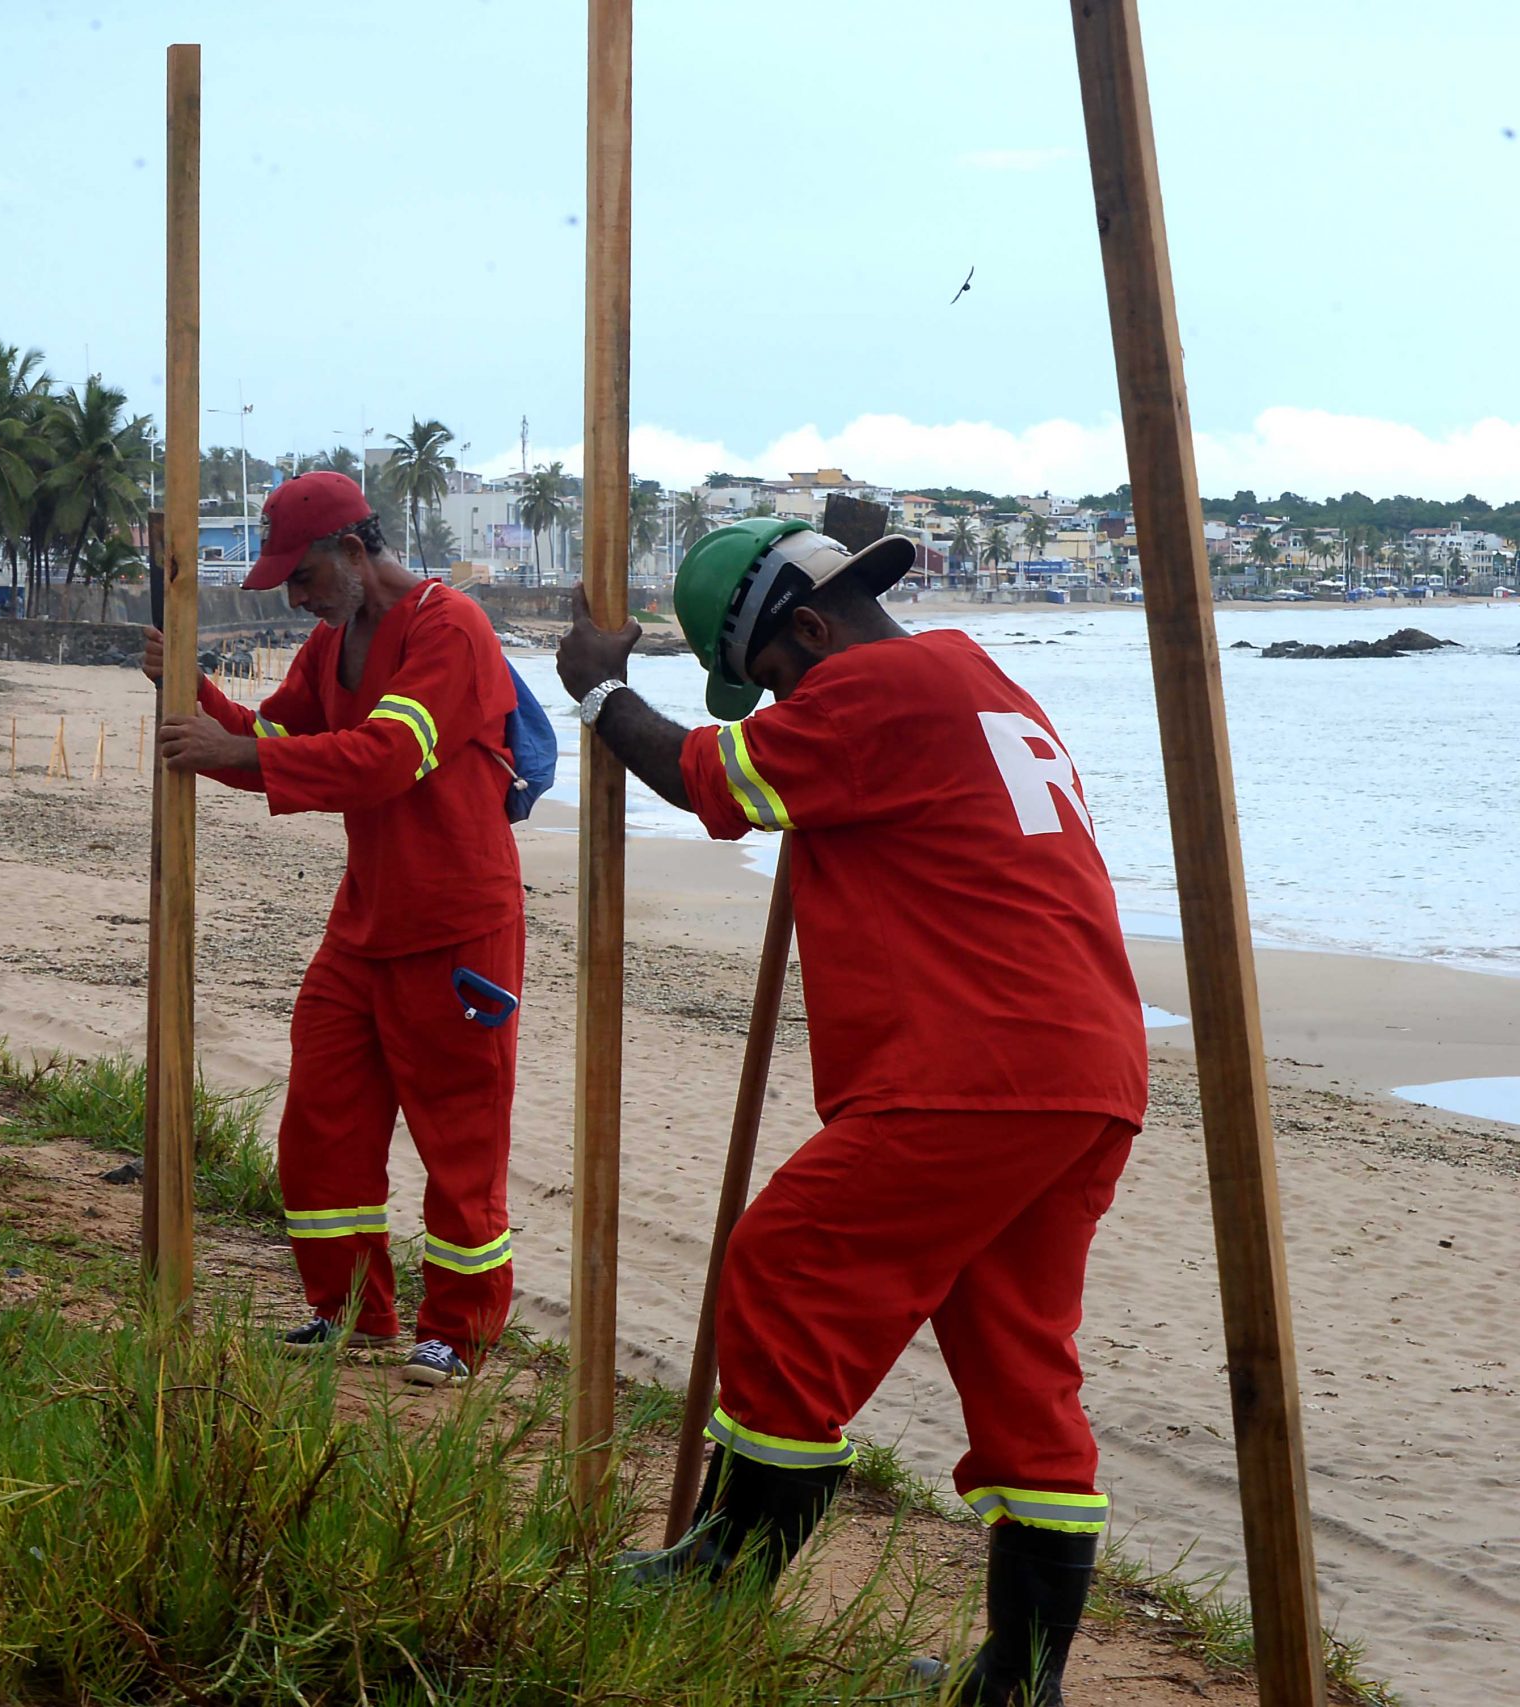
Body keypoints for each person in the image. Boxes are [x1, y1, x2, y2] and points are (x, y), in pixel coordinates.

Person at [555, 517, 1148, 1706]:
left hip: (974, 1064)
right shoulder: (970, 677)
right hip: (1081, 1068)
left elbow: (706, 778)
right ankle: (1019, 1683)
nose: (772, 706)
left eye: (772, 682)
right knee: (1020, 1363)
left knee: (787, 1262)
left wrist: (601, 688)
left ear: (813, 633)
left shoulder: (874, 684)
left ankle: (727, 1573)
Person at [147, 470, 524, 1387]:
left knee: (459, 1139)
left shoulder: (449, 626)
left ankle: (459, 1331)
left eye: (303, 577)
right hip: (364, 922)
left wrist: (228, 747)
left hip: (457, 931)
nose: (295, 596)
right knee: (322, 1126)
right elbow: (276, 747)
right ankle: (350, 1310)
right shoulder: (331, 645)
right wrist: (189, 686)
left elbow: (389, 756)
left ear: (354, 553)